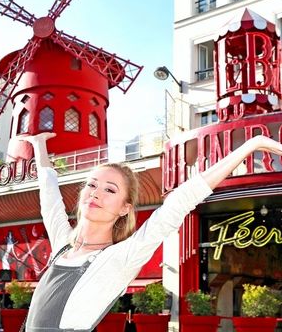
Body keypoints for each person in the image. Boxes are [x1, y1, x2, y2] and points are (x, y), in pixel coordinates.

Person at [20, 132, 282, 331]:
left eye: (110, 189)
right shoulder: (63, 247)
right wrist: (39, 145)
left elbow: (181, 200)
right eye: (91, 184)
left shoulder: (119, 258)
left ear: (125, 208)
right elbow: (49, 198)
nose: (96, 193)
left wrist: (252, 145)